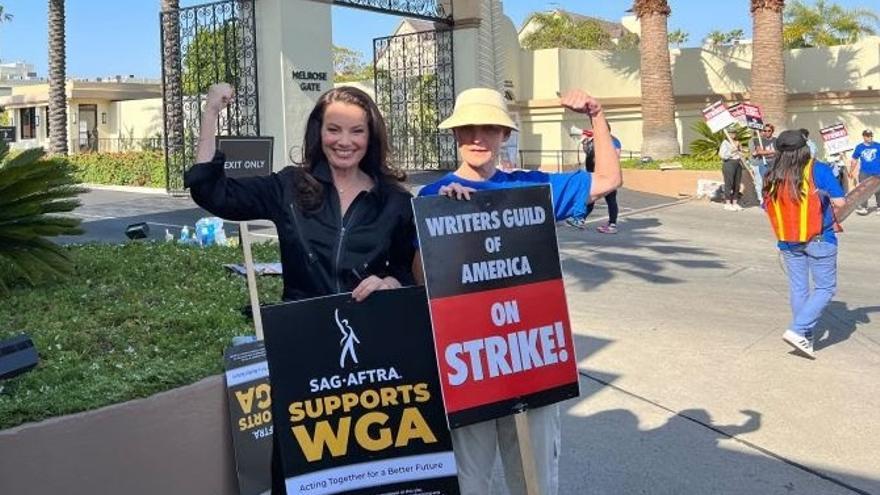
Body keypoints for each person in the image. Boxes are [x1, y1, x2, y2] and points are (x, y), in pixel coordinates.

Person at [185, 83, 417, 493]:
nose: (344, 141)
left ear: (371, 136)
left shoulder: (394, 201)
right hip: (301, 352)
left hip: (370, 356)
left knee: (368, 470)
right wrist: (209, 115)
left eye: (357, 131)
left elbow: (404, 268)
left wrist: (391, 281)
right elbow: (211, 191)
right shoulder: (289, 187)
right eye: (334, 129)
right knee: (297, 470)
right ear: (318, 132)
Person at [415, 87, 621, 495]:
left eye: (489, 129)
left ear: (504, 135)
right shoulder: (432, 196)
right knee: (470, 478)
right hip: (468, 360)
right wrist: (443, 220)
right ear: (456, 135)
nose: (478, 138)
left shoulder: (532, 187)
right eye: (468, 129)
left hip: (530, 356)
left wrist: (597, 114)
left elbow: (609, 179)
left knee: (536, 479)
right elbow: (422, 279)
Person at [762, 130, 846, 359]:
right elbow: (840, 201)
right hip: (820, 238)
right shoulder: (817, 169)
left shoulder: (770, 173)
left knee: (799, 288)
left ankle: (804, 337)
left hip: (788, 239)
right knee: (825, 288)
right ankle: (798, 330)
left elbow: (766, 205)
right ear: (805, 148)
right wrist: (824, 195)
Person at [567, 124, 623, 233]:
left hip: (606, 175)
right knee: (589, 198)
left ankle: (612, 225)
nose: (593, 130)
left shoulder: (613, 141)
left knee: (610, 200)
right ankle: (580, 219)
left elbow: (615, 157)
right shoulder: (596, 140)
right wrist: (586, 143)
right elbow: (588, 153)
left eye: (596, 128)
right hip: (593, 174)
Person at [850, 129, 880, 215]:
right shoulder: (859, 147)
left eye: (871, 135)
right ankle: (864, 207)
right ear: (864, 137)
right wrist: (851, 171)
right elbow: (854, 159)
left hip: (877, 172)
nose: (870, 137)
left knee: (878, 190)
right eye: (867, 136)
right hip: (864, 172)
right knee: (863, 190)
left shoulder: (878, 146)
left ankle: (879, 207)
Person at [748, 124, 776, 203]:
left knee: (772, 181)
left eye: (768, 131)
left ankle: (771, 198)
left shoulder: (772, 140)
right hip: (760, 163)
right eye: (764, 131)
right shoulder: (756, 140)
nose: (765, 132)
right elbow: (758, 152)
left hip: (770, 163)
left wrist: (765, 152)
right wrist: (771, 151)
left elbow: (777, 152)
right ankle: (762, 199)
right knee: (761, 181)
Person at [719, 132, 745, 211]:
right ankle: (727, 203)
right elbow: (722, 155)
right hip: (729, 163)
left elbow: (741, 153)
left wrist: (740, 150)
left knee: (737, 184)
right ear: (728, 134)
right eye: (731, 133)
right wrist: (732, 151)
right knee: (729, 183)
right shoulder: (725, 143)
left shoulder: (737, 142)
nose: (733, 134)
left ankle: (735, 203)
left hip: (738, 163)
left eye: (734, 133)